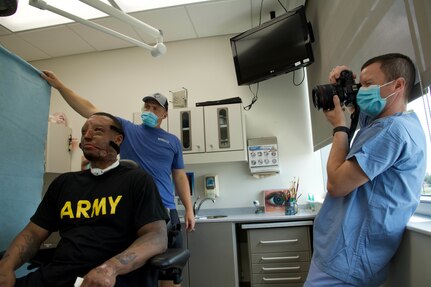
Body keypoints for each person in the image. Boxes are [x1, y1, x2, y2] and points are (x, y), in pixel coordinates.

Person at [40, 72, 194, 287]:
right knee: (135, 272)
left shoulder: (173, 141)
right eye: (146, 107)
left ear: (164, 114)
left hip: (166, 210)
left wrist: (188, 209)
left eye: (155, 108)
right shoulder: (127, 130)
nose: (149, 111)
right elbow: (90, 109)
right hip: (134, 212)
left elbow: (179, 175)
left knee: (168, 272)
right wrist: (60, 86)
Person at [0, 112, 169, 287]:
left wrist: (109, 269)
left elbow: (156, 237)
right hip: (58, 275)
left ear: (118, 140)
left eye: (97, 131)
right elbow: (33, 233)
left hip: (109, 279)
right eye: (84, 131)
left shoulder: (137, 181)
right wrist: (6, 266)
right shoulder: (64, 183)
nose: (87, 136)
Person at [304, 53, 427, 286]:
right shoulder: (386, 125)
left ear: (398, 85)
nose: (363, 92)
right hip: (345, 256)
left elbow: (337, 185)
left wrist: (339, 126)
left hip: (346, 260)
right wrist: (346, 86)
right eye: (361, 86)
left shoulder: (393, 131)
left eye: (369, 85)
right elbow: (359, 118)